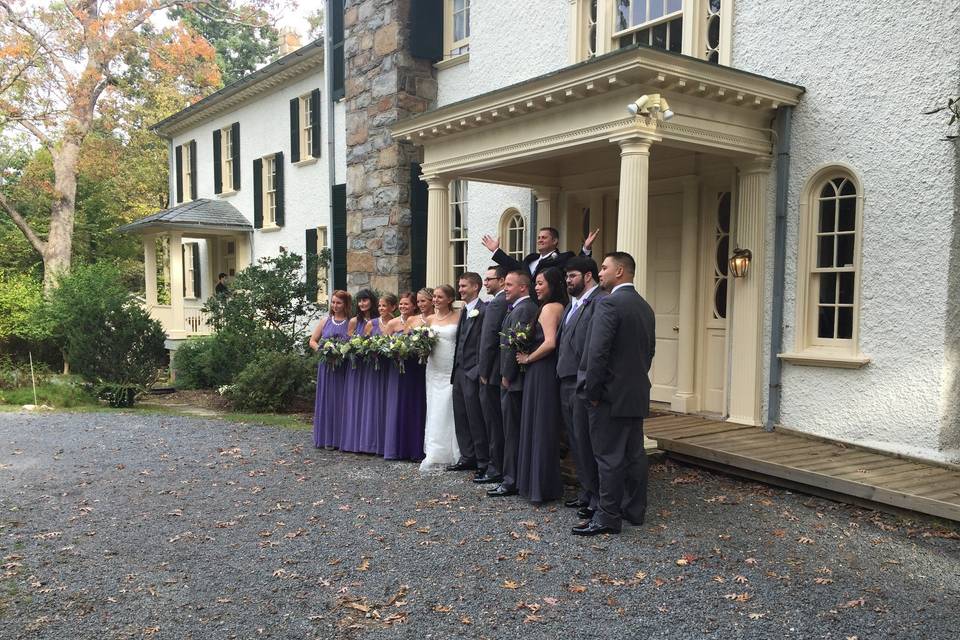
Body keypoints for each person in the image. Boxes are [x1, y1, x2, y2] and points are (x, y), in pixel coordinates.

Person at [573, 252, 656, 537]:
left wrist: (592, 392)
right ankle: (633, 510)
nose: (601, 273)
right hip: (635, 393)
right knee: (634, 455)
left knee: (608, 456)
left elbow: (596, 354)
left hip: (608, 396)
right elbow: (649, 352)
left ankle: (608, 516)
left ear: (620, 271)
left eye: (605, 268)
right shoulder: (645, 307)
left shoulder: (608, 303)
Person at [514, 267, 568, 503]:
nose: (536, 287)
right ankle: (543, 484)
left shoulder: (548, 309)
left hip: (542, 371)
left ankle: (538, 487)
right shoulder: (561, 307)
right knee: (543, 426)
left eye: (540, 283)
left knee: (539, 426)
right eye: (535, 283)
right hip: (546, 372)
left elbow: (549, 343)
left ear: (553, 285)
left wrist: (527, 357)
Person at [556, 257, 604, 519]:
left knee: (587, 442)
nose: (567, 280)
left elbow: (594, 347)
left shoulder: (599, 302)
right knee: (576, 441)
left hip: (581, 381)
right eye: (566, 276)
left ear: (588, 276)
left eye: (572, 276)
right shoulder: (571, 305)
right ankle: (586, 492)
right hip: (565, 380)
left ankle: (597, 498)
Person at [487, 270, 538, 498]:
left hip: (514, 382)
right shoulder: (518, 307)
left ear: (523, 288)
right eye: (505, 284)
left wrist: (506, 375)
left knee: (512, 432)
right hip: (512, 380)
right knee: (510, 431)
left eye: (509, 284)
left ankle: (511, 480)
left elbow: (514, 345)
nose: (505, 288)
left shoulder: (524, 309)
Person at [447, 272, 489, 478]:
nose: (460, 289)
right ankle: (467, 456)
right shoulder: (463, 310)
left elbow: (485, 343)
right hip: (460, 371)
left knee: (475, 418)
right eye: (460, 286)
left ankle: (482, 461)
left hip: (473, 372)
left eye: (464, 286)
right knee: (461, 416)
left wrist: (479, 370)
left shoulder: (484, 310)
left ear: (476, 287)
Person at [420, 284, 461, 472]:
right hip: (434, 368)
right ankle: (435, 452)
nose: (435, 300)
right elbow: (423, 344)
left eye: (439, 297)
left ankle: (455, 451)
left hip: (450, 367)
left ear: (450, 299)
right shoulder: (429, 319)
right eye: (434, 297)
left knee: (449, 406)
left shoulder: (459, 317)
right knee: (435, 405)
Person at [474, 265, 509, 485]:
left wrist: (484, 371)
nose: (486, 283)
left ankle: (495, 468)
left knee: (494, 423)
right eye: (485, 280)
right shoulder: (499, 301)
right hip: (496, 371)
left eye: (489, 279)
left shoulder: (498, 302)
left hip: (493, 372)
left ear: (502, 280)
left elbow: (489, 340)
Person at [383, 292, 426, 461]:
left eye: (406, 304)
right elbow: (385, 344)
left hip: (415, 368)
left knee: (413, 404)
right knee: (397, 404)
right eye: (400, 304)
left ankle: (413, 446)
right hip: (397, 368)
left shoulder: (417, 321)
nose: (403, 307)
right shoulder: (392, 323)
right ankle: (395, 446)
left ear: (414, 306)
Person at [309, 289, 352, 450]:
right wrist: (323, 349)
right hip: (326, 366)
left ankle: (342, 439)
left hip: (343, 367)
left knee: (342, 401)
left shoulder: (351, 322)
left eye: (338, 302)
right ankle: (326, 437)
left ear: (345, 304)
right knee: (327, 400)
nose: (335, 305)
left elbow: (354, 343)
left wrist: (342, 351)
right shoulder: (325, 321)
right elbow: (313, 340)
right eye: (333, 302)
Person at [356, 294, 397, 455]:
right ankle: (371, 442)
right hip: (373, 368)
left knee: (388, 403)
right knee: (373, 402)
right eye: (379, 306)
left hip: (390, 367)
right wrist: (370, 349)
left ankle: (387, 441)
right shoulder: (371, 324)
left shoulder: (397, 322)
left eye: (384, 306)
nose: (381, 309)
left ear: (392, 307)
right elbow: (362, 344)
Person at [481, 226, 600, 278]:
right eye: (538, 238)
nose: (540, 240)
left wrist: (586, 248)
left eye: (544, 237)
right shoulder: (531, 259)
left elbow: (578, 264)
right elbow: (513, 265)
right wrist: (495, 250)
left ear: (554, 241)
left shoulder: (564, 258)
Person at [341, 289, 377, 453]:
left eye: (365, 300)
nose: (362, 304)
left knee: (371, 401)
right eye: (360, 301)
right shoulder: (355, 321)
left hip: (374, 366)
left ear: (372, 301)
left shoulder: (380, 320)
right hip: (357, 366)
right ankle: (354, 441)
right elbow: (348, 342)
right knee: (356, 400)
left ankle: (371, 440)